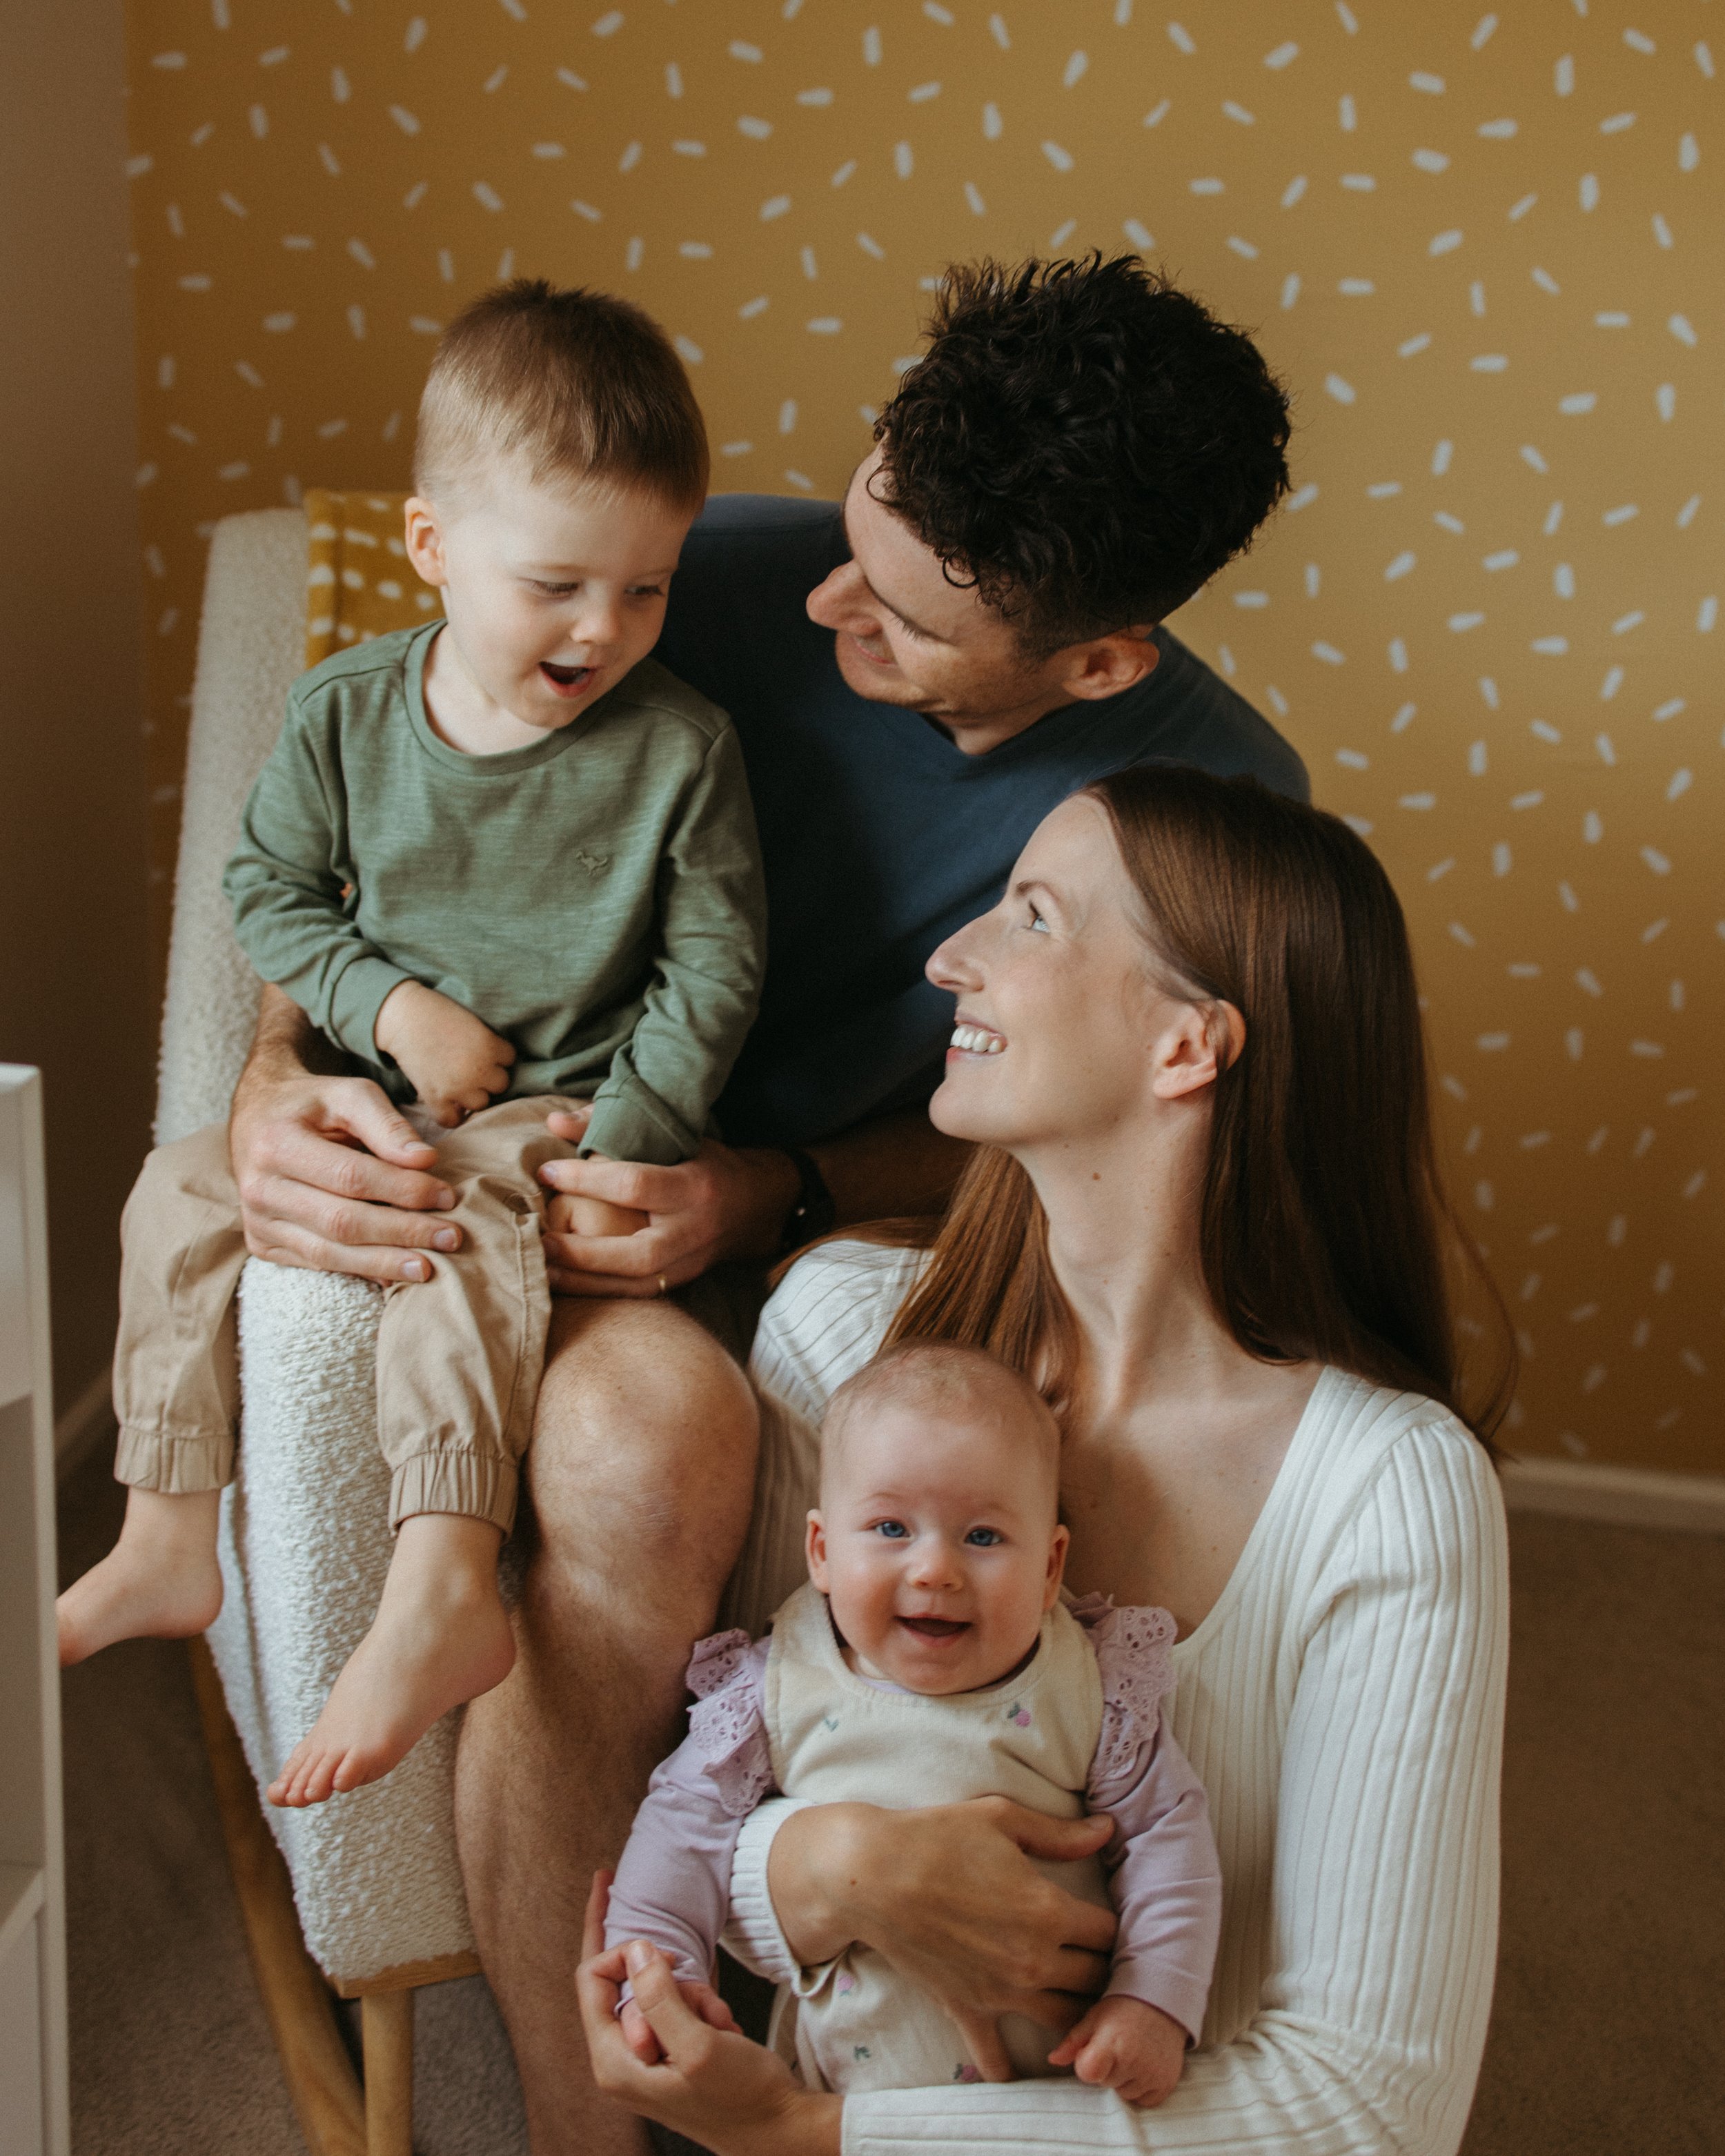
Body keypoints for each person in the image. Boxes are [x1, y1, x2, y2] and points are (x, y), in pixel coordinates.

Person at [220, 255, 1309, 2148]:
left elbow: (1117, 1145)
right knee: (643, 1457)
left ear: (1095, 662)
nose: (818, 603)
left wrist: (768, 1189)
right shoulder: (681, 570)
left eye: (895, 613)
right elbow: (371, 815)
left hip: (874, 1240)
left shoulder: (1216, 806)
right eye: (853, 522)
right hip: (553, 1181)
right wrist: (265, 1076)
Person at [578, 764, 1514, 2156]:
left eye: (1030, 916)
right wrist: (830, 1863)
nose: (950, 957)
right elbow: (732, 1770)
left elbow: (1366, 2109)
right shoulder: (840, 1339)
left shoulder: (1388, 1494)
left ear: (1186, 1046)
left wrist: (813, 2134)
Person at [56, 281, 766, 1810]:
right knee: (172, 1191)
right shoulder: (343, 716)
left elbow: (715, 969)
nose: (603, 627)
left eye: (646, 588)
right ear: (432, 546)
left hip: (552, 1114)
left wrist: (628, 1137)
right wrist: (384, 1007)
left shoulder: (680, 748)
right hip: (363, 1089)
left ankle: (443, 1576)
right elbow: (267, 891)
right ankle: (166, 1530)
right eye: (558, 583)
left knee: (449, 1238)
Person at [604, 1341, 1221, 2106]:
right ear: (821, 1551)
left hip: (1063, 2105)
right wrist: (659, 1975)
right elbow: (681, 1828)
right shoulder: (776, 1685)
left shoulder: (1091, 1685)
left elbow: (1167, 1838)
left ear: (1050, 1568)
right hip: (844, 2112)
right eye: (891, 1528)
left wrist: (1153, 1999)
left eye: (983, 1536)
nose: (934, 1570)